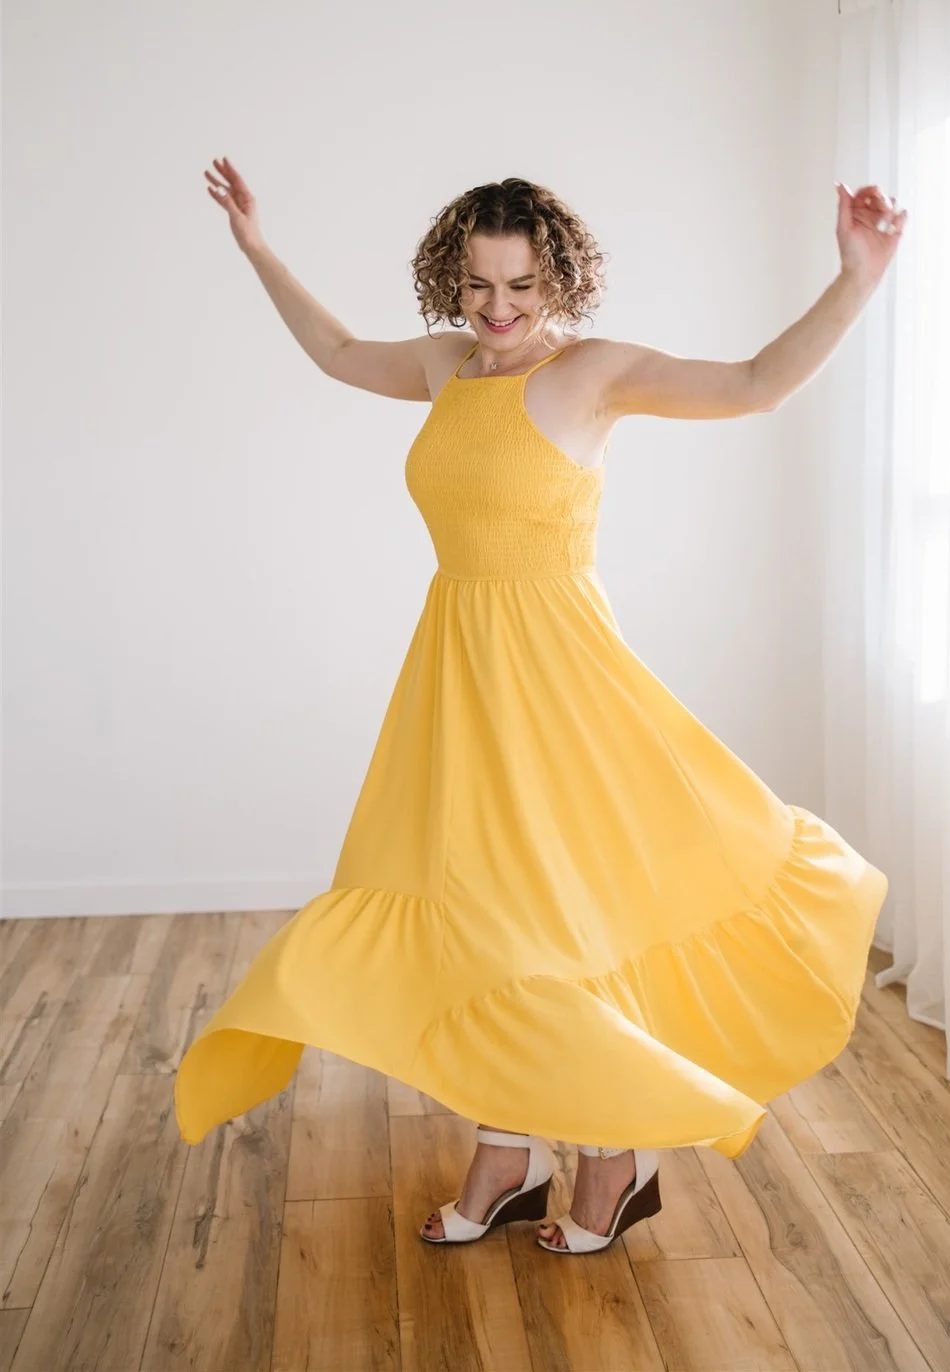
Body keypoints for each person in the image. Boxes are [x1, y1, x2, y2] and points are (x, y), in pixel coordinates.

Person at [174, 164, 903, 1255]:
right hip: (456, 677)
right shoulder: (444, 366)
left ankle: (609, 1154)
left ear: (558, 277)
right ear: (450, 281)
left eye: (519, 286)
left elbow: (755, 382)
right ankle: (506, 1151)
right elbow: (332, 353)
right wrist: (258, 249)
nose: (498, 310)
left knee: (561, 910)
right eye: (475, 286)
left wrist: (854, 281)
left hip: (560, 683)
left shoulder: (592, 375)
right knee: (474, 911)